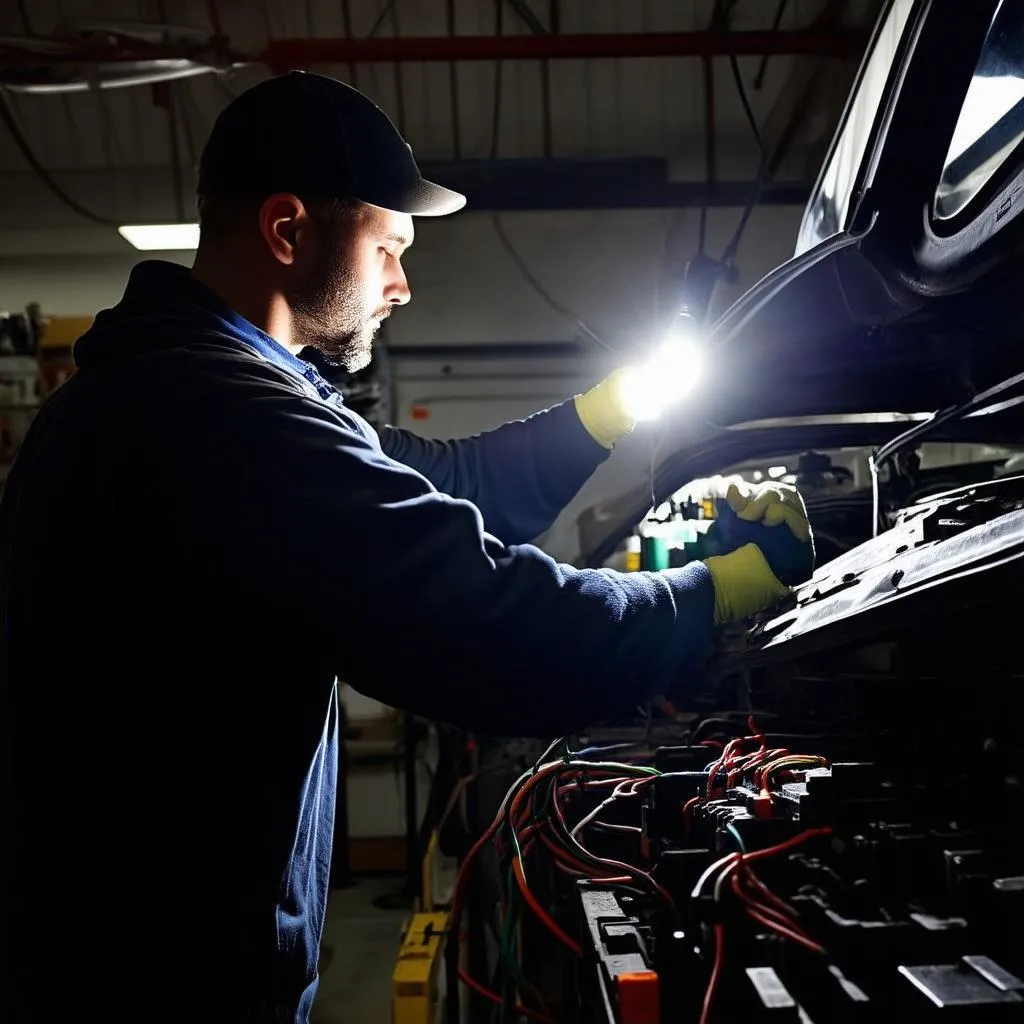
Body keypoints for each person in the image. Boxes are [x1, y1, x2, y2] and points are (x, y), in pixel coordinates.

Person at [0, 72, 813, 1022]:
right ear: (288, 229)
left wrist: (616, 405)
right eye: (388, 247)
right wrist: (716, 590)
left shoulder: (199, 388)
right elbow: (494, 630)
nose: (402, 284)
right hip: (151, 980)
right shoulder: (215, 416)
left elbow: (445, 485)